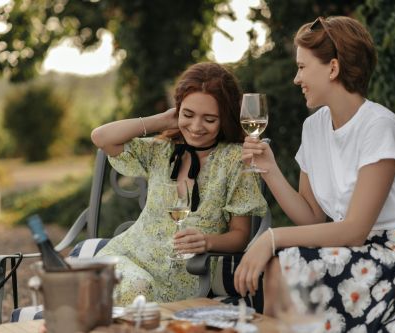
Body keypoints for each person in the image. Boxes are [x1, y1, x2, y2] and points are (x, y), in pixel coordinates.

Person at [234, 16, 395, 332]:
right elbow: (312, 218)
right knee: (282, 264)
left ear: (333, 68)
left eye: (303, 67)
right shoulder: (313, 127)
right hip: (361, 251)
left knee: (288, 263)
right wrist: (269, 169)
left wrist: (272, 237)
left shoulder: (379, 126)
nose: (296, 78)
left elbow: (354, 230)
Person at [91, 62, 267, 305]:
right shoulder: (162, 151)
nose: (196, 127)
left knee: (137, 291)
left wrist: (207, 241)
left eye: (209, 119)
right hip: (127, 256)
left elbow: (240, 235)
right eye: (188, 114)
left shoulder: (235, 159)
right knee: (131, 288)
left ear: (224, 118)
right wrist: (162, 121)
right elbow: (101, 137)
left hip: (183, 274)